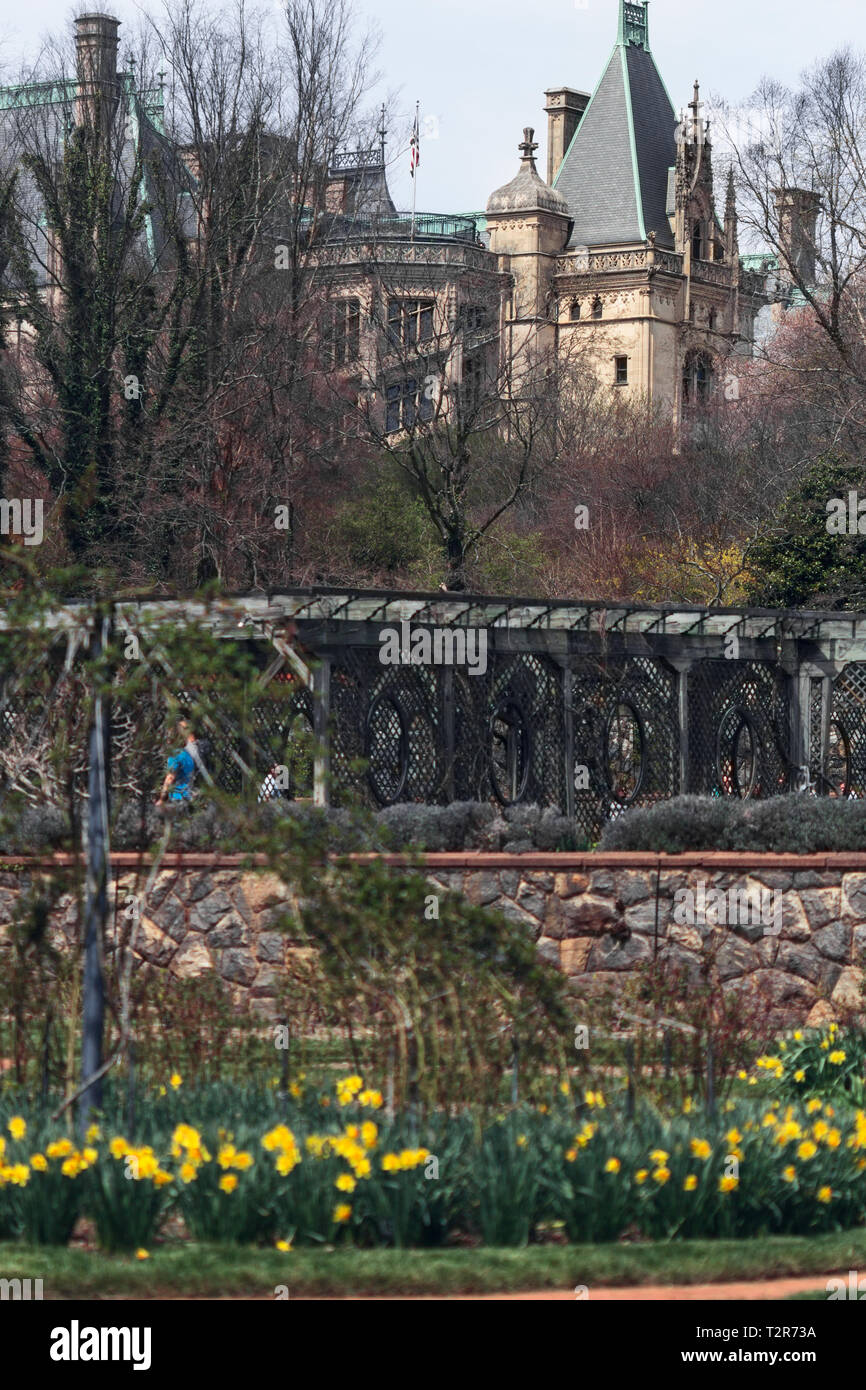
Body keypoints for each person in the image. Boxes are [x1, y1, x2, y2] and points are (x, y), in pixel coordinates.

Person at [156, 719, 201, 806]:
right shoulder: (187, 755)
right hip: (188, 797)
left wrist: (162, 799)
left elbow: (170, 778)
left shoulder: (175, 756)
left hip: (176, 799)